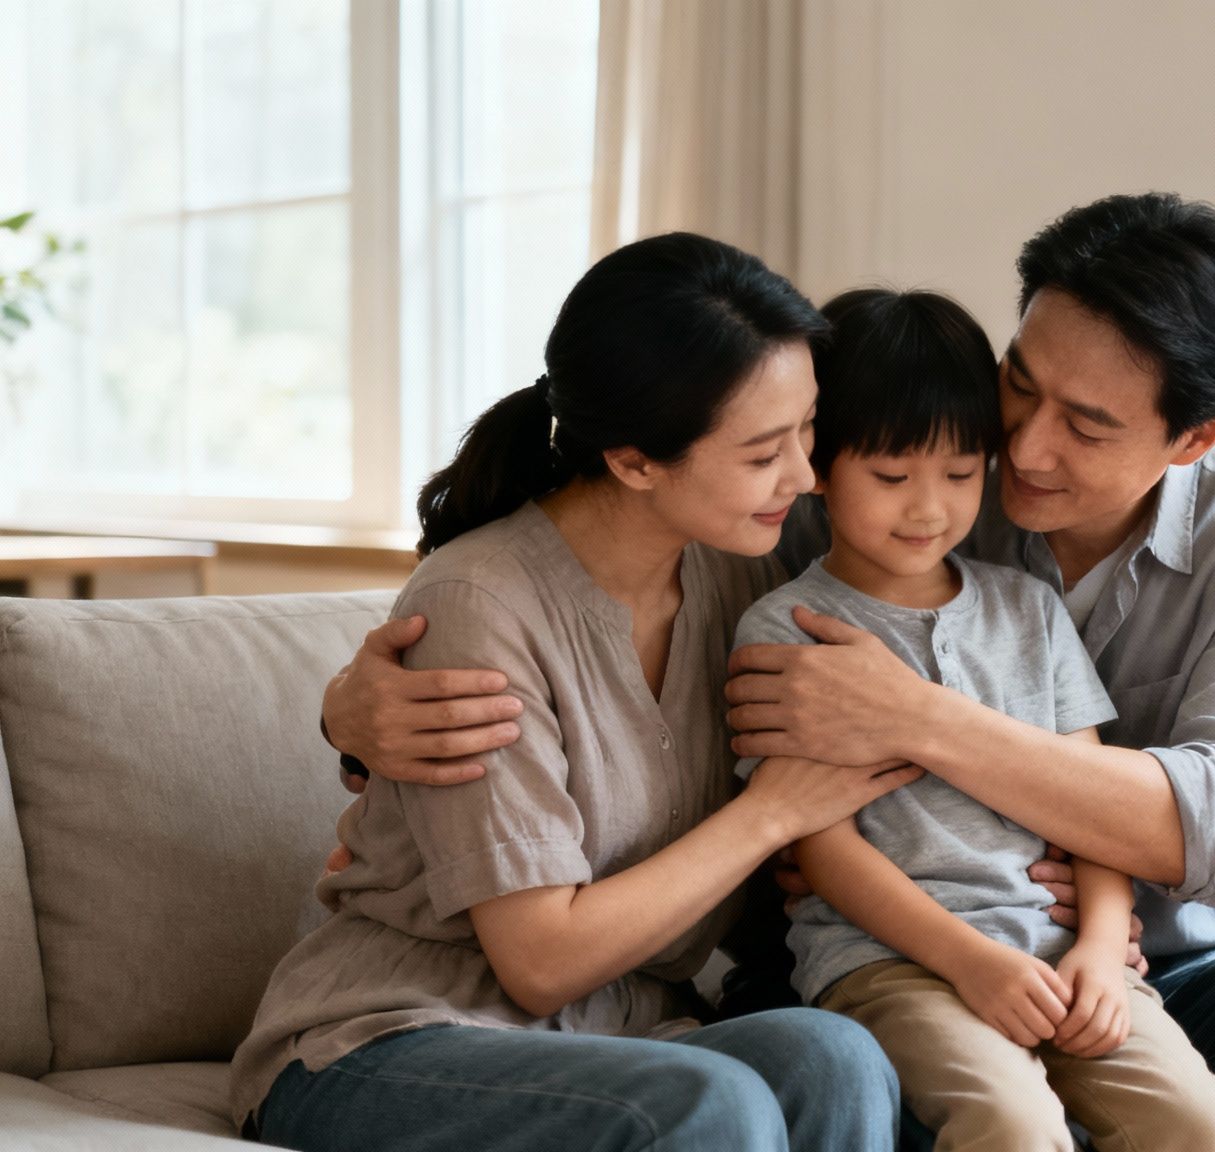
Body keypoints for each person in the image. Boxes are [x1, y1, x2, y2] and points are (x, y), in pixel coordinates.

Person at [322, 193, 1215, 1150]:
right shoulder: (862, 499)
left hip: (1136, 965)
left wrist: (918, 721)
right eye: (1019, 383)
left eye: (1084, 426)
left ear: (1195, 438)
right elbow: (590, 551)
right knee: (846, 1071)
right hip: (888, 959)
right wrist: (349, 714)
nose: (1021, 450)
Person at [230, 232, 907, 1152]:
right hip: (394, 1038)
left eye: (808, 429)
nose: (803, 473)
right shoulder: (480, 603)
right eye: (762, 452)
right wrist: (772, 815)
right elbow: (541, 961)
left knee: (836, 1056)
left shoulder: (741, 569)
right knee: (711, 1103)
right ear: (632, 461)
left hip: (630, 1034)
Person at [737, 287, 1215, 1149]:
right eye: (892, 478)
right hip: (892, 966)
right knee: (1012, 1125)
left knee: (1204, 1128)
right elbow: (819, 850)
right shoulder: (786, 629)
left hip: (1062, 956)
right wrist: (970, 960)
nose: (929, 508)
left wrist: (1098, 944)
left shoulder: (1027, 608)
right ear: (821, 464)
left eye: (963, 474)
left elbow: (1093, 806)